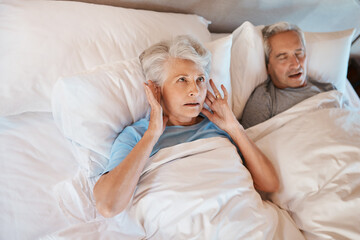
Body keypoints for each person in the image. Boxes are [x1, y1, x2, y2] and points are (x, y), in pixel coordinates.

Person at [93, 35, 279, 218]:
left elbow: (269, 184)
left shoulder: (221, 128)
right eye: (182, 80)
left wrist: (234, 128)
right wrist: (152, 135)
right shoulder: (136, 136)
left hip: (246, 217)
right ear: (156, 89)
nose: (195, 91)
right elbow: (108, 206)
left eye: (200, 79)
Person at [240, 22, 335, 129]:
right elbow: (249, 140)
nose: (296, 64)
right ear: (268, 67)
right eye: (283, 57)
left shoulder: (328, 90)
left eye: (299, 53)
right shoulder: (264, 100)